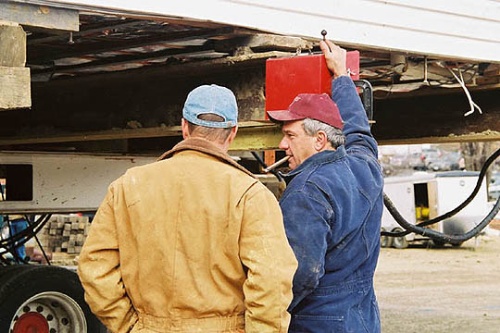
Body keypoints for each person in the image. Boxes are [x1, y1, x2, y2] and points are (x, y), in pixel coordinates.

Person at [78, 84, 298, 333]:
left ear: (184, 127)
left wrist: (129, 325)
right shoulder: (249, 194)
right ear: (233, 132)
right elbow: (271, 282)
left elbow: (95, 268)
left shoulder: (128, 186)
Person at [266, 39, 384, 333]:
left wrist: (264, 315)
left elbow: (301, 273)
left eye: (291, 136)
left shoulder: (306, 191)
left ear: (320, 140)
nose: (282, 145)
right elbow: (358, 130)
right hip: (363, 320)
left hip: (319, 324)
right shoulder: (366, 167)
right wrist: (341, 77)